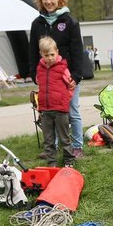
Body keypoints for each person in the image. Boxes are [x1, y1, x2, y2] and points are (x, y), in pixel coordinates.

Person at [29, 0, 85, 160]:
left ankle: (76, 146)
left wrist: (76, 76)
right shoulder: (37, 24)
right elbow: (31, 51)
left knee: (72, 111)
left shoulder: (69, 22)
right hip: (46, 78)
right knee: (48, 113)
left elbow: (77, 51)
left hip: (66, 77)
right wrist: (34, 74)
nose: (48, 1)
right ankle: (50, 149)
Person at [35, 37, 76, 168]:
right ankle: (51, 162)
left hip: (60, 110)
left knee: (64, 137)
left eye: (52, 54)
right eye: (47, 55)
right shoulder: (40, 69)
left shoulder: (63, 68)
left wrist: (64, 100)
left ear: (57, 52)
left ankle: (69, 160)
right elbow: (40, 86)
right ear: (41, 54)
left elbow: (71, 86)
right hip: (46, 110)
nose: (50, 58)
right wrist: (40, 104)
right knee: (48, 139)